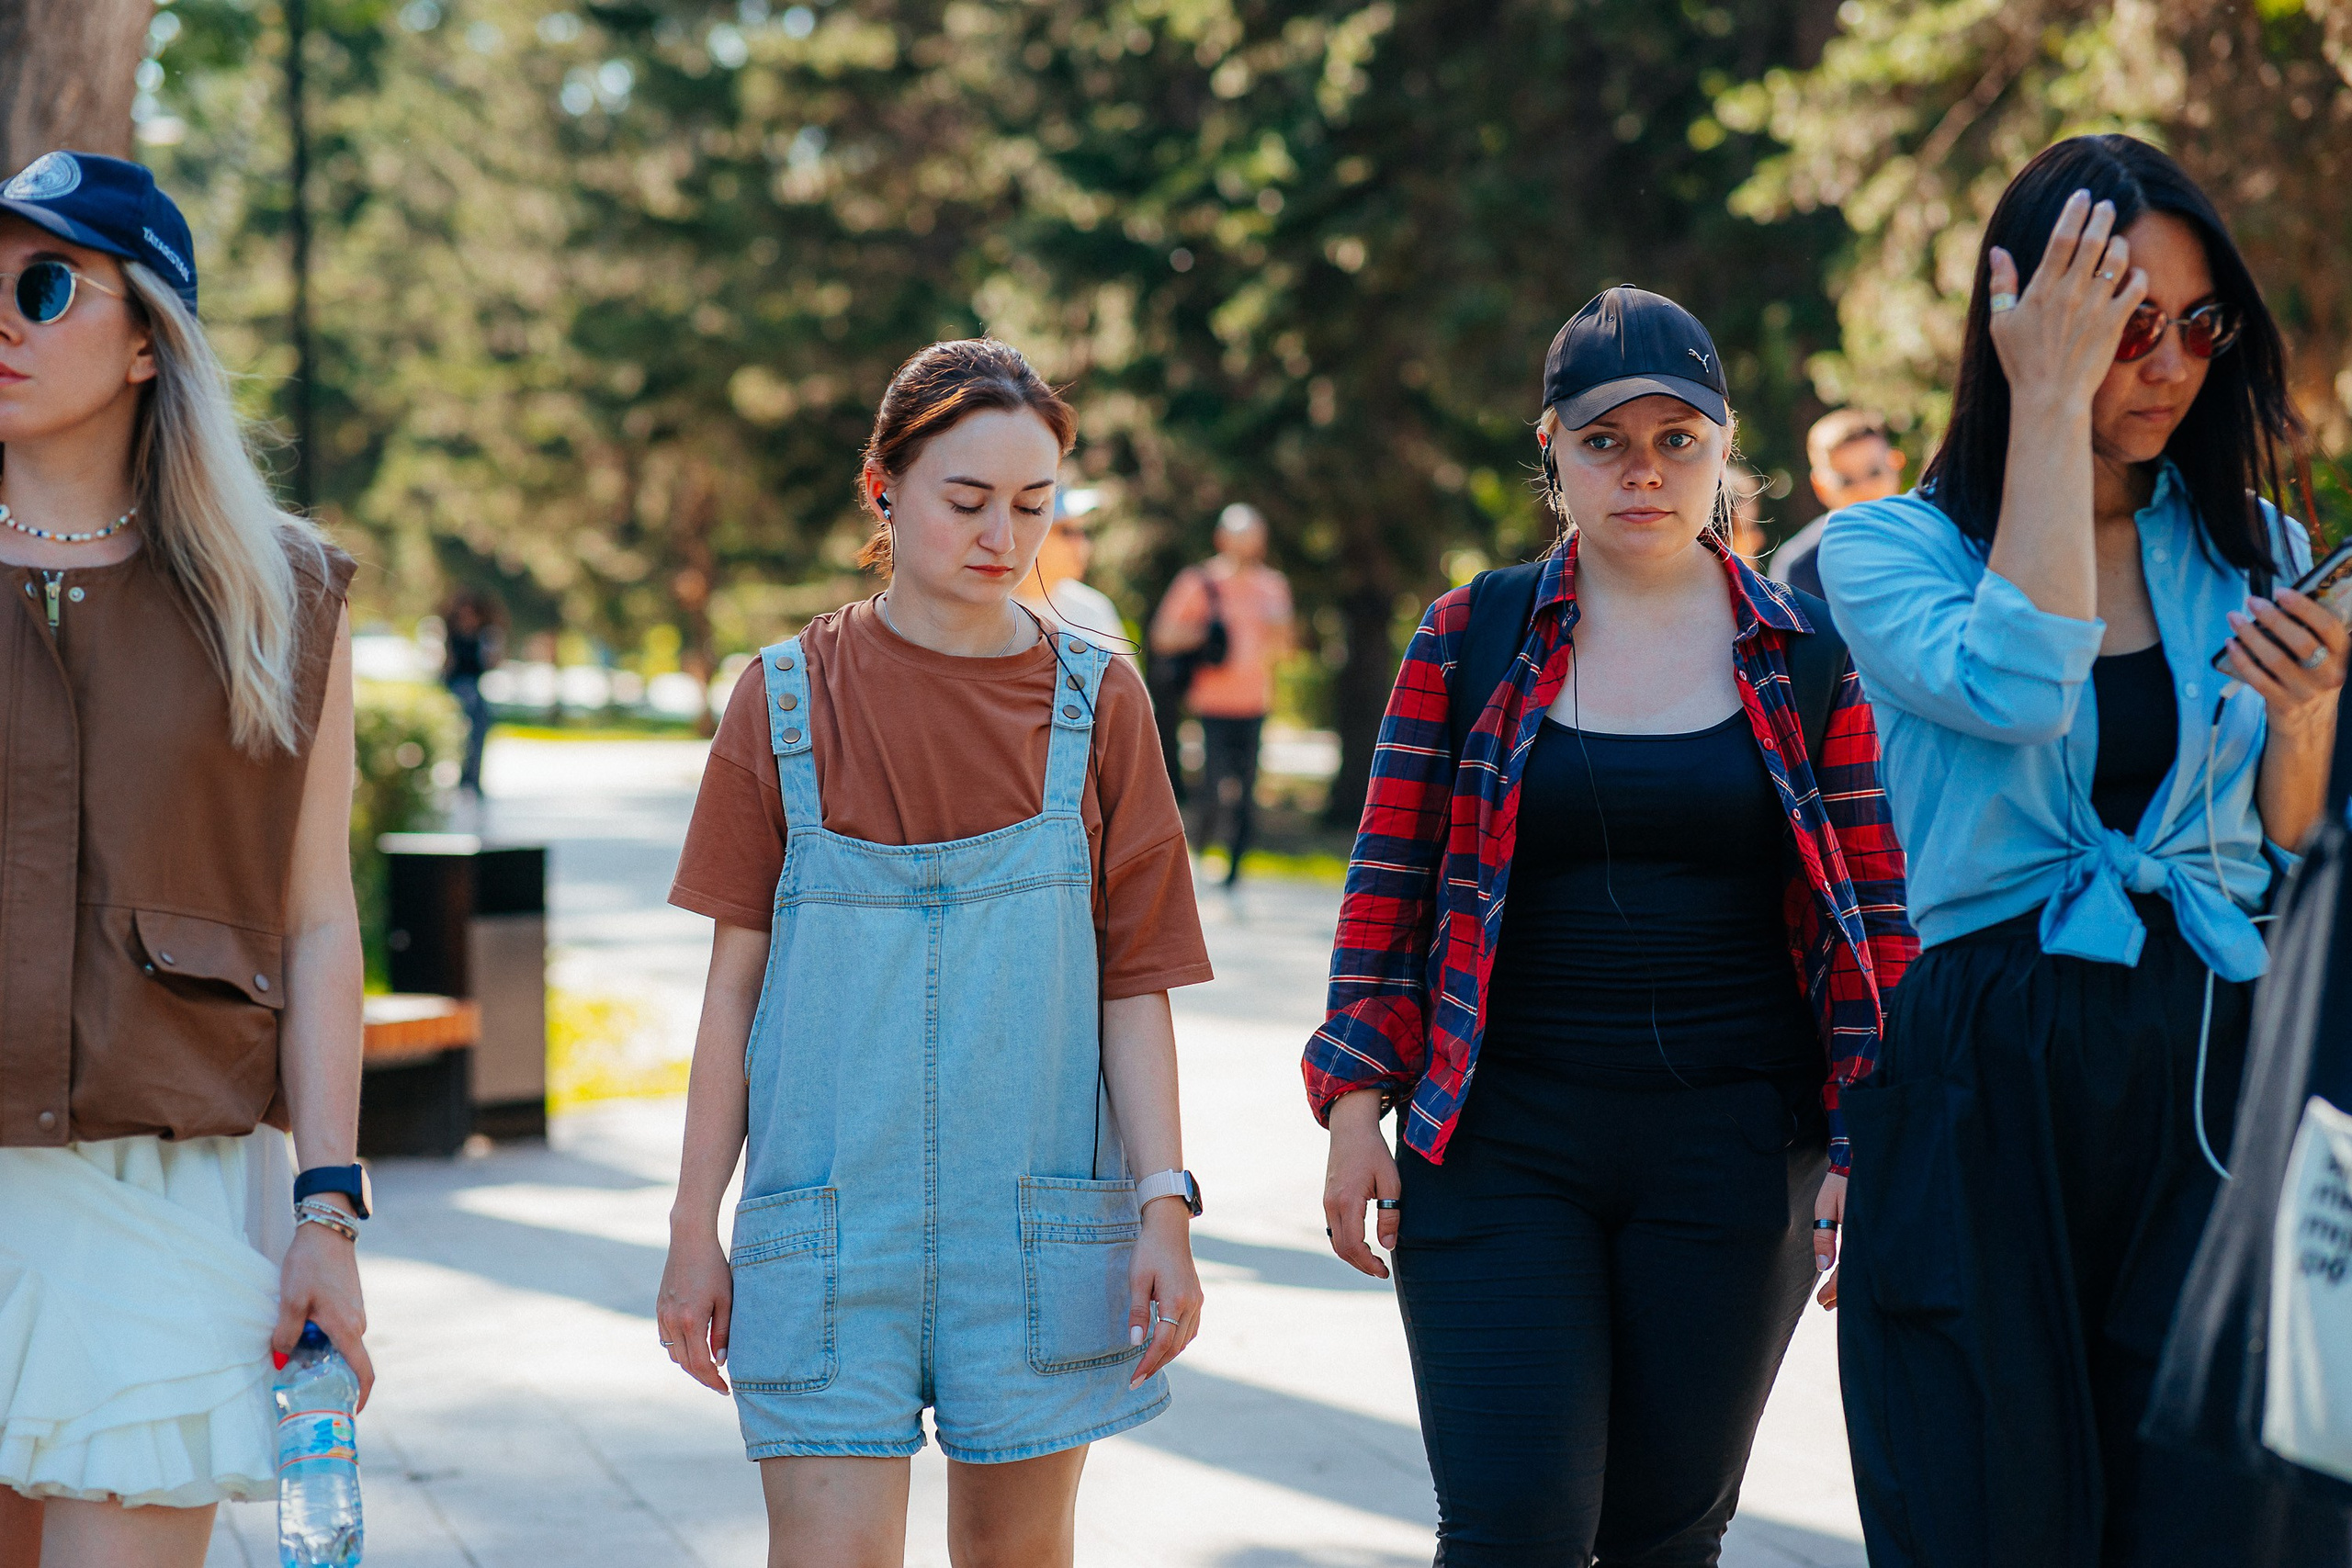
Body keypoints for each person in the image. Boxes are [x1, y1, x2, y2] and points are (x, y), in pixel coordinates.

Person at [1309, 286, 1916, 1566]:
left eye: (1676, 441)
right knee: (1511, 1526)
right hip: (1498, 1139)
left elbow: (1874, 921)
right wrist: (1359, 1098)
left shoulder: (1804, 656)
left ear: (1722, 449)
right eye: (1606, 441)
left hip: (1735, 1153)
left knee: (1664, 1531)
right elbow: (1387, 890)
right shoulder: (1469, 636)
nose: (1642, 470)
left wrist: (1873, 1137)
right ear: (1553, 451)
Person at [1816, 134, 2352, 1566]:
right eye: (2123, 325)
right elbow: (2019, 681)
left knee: (2213, 1518)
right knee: (1988, 1505)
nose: (2167, 363)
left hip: (2206, 1057)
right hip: (1987, 1061)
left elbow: (2288, 842)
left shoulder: (2260, 546)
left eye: (2198, 324)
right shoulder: (1889, 551)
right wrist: (2047, 403)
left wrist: (2306, 717)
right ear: (2029, 323)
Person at [656, 339, 1211, 1568]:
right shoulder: (781, 697)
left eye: (1033, 503)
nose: (1001, 535)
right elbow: (732, 994)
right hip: (825, 1225)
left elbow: (1135, 987)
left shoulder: (1102, 702)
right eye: (967, 500)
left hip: (1035, 1233)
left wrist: (1164, 1200)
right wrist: (695, 1223)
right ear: (884, 489)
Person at [0, 152, 369, 1566]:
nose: (5, 321)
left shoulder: (276, 594)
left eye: (44, 286)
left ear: (151, 337)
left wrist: (326, 1213)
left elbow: (318, 921)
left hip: (160, 1200)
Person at [1149, 503, 1292, 887]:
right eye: (1238, 537)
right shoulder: (1199, 581)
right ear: (1221, 538)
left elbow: (1285, 648)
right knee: (1211, 788)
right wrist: (1206, 633)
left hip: (1255, 703)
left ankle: (1234, 874)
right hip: (1210, 703)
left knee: (1246, 794)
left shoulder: (1272, 585)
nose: (1245, 546)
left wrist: (1277, 629)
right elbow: (1162, 635)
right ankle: (1197, 857)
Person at [1768, 409, 1906, 599]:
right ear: (1821, 487)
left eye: (1874, 472)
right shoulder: (1800, 568)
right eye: (1845, 481)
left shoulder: (1931, 537)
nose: (1864, 489)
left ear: (1895, 465)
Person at [1012, 488, 1127, 652]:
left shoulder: (1093, 609)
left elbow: (1124, 677)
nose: (1082, 544)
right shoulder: (987, 608)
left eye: (1083, 532)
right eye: (1066, 531)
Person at [441, 586, 503, 795]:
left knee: (478, 733)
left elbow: (492, 663)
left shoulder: (485, 635)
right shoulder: (451, 634)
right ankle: (458, 778)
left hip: (475, 689)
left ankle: (472, 778)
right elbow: (446, 665)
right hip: (455, 688)